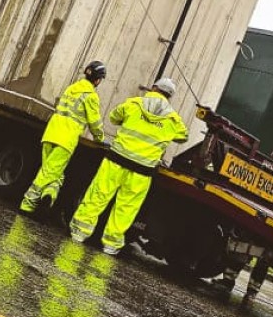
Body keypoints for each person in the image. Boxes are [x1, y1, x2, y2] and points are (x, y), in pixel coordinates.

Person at [69, 76, 188, 255]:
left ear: (154, 88)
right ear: (169, 96)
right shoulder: (173, 119)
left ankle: (79, 232)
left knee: (98, 196)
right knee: (126, 208)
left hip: (116, 160)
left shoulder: (134, 104)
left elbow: (113, 117)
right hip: (142, 171)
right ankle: (110, 244)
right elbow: (183, 137)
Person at [19, 61, 106, 214]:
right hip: (66, 139)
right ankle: (27, 204)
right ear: (98, 80)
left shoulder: (72, 88)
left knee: (52, 171)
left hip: (51, 133)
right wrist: (100, 139)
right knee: (49, 173)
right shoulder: (91, 96)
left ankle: (49, 195)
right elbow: (94, 123)